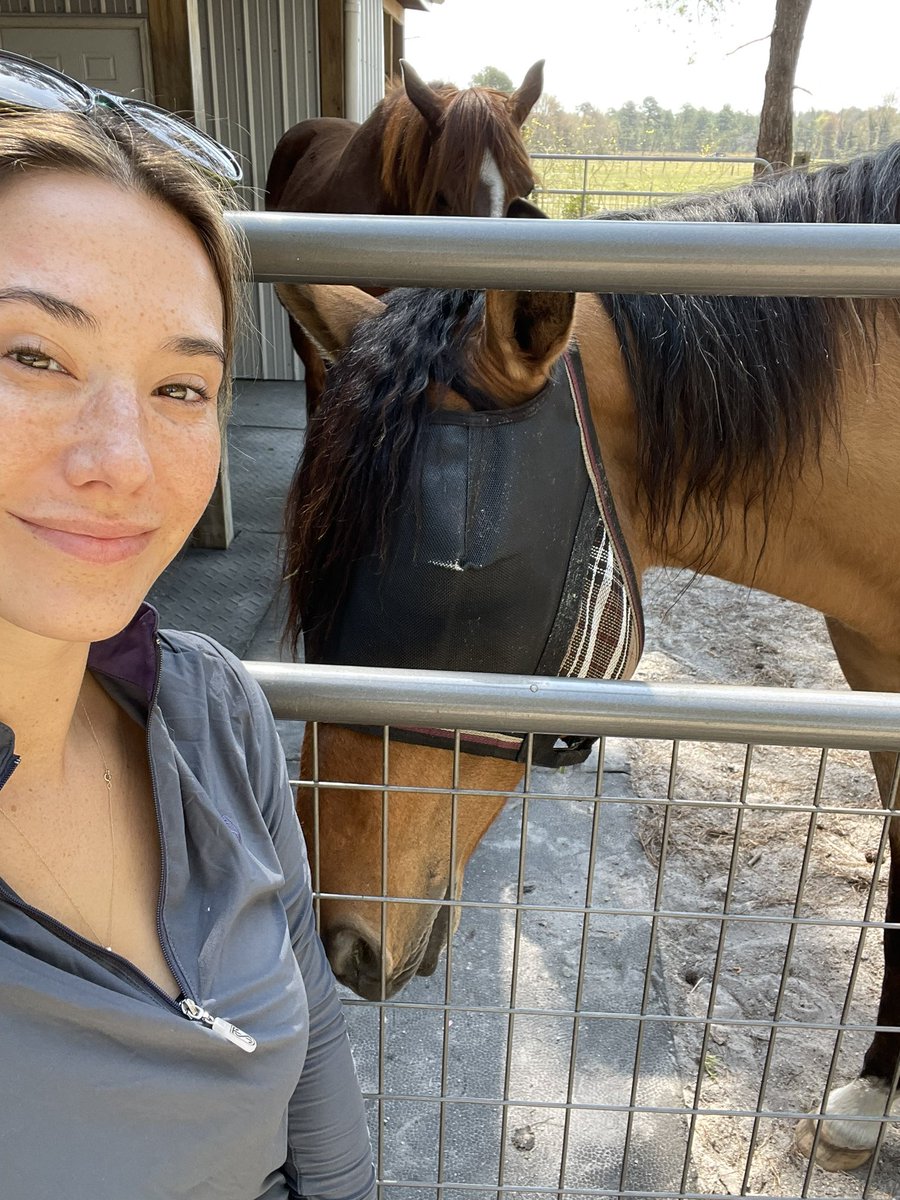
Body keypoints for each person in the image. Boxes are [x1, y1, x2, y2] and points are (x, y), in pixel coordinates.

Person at [0, 51, 375, 1200]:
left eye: (180, 388)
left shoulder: (212, 710)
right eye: (31, 356)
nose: (121, 462)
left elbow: (311, 1027)